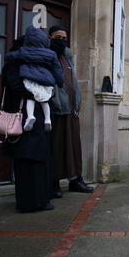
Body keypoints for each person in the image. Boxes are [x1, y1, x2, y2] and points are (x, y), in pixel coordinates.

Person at [2, 37, 54, 213]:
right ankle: (29, 203)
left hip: (36, 123)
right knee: (26, 164)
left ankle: (40, 200)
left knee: (38, 164)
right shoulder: (13, 66)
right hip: (22, 122)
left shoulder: (30, 65)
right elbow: (18, 87)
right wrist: (40, 91)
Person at [48, 26, 94, 199]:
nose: (61, 40)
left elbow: (73, 83)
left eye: (64, 37)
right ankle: (53, 184)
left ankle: (76, 181)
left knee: (74, 149)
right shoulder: (47, 57)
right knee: (57, 150)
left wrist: (77, 105)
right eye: (57, 37)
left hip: (72, 112)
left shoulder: (67, 58)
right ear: (49, 37)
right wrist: (57, 103)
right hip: (57, 112)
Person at [6, 26, 64, 133]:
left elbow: (11, 57)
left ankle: (30, 116)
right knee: (44, 101)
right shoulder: (50, 54)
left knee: (31, 99)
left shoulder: (23, 52)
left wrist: (9, 56)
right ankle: (48, 120)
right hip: (45, 86)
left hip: (23, 104)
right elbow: (60, 78)